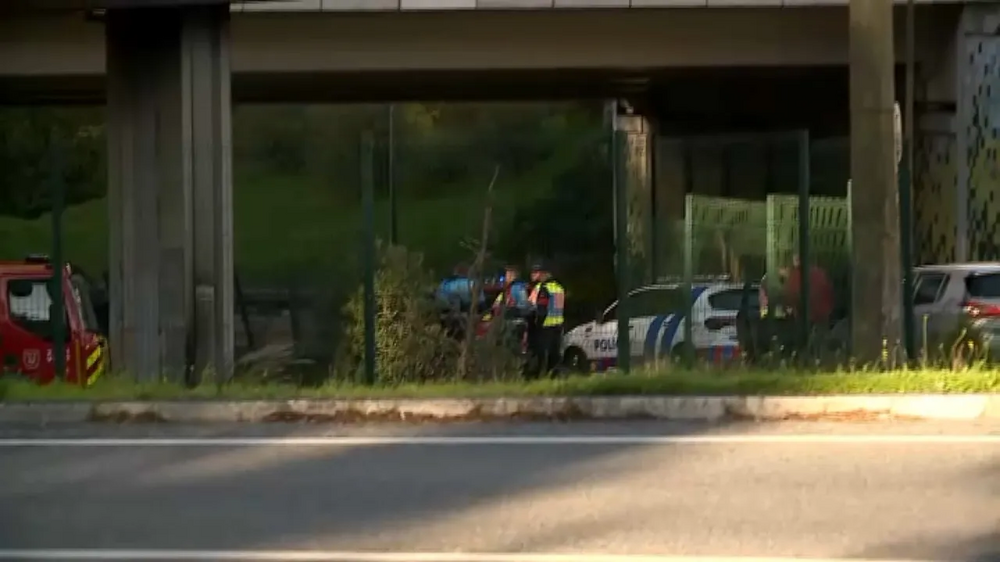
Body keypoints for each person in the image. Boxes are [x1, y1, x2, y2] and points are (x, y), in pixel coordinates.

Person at [525, 262, 565, 378]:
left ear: (543, 274)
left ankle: (538, 376)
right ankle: (554, 376)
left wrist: (536, 324)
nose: (534, 275)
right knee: (554, 354)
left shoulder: (543, 288)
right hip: (558, 325)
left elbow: (541, 309)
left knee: (541, 354)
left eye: (537, 272)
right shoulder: (558, 288)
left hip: (545, 326)